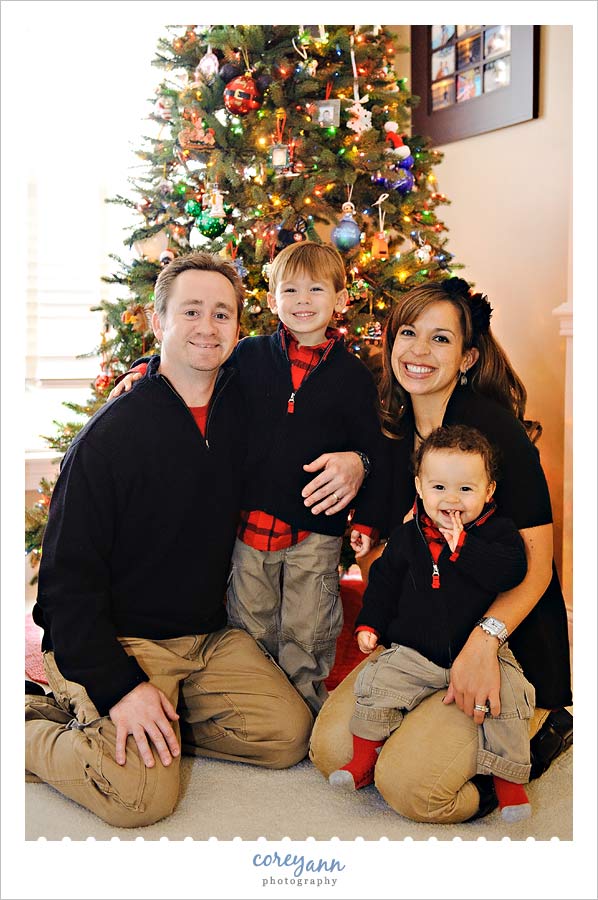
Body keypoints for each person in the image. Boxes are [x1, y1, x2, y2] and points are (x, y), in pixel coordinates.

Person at [25, 252, 313, 828]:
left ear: (238, 327)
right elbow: (64, 588)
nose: (208, 327)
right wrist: (121, 687)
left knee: (287, 737)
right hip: (122, 640)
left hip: (206, 639)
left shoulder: (242, 410)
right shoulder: (110, 438)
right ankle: (30, 725)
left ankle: (149, 717)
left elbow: (312, 444)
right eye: (191, 312)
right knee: (139, 797)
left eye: (223, 314)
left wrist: (357, 462)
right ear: (159, 323)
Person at [309, 277, 573, 824]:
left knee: (412, 788)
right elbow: (376, 553)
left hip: (501, 641)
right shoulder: (391, 432)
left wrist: (483, 643)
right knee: (331, 750)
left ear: (469, 357)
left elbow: (537, 567)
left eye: (440, 340)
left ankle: (542, 729)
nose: (418, 352)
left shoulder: (494, 435)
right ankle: (430, 713)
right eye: (407, 333)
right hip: (421, 640)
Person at [112, 242, 388, 715]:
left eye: (316, 289)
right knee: (249, 619)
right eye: (290, 290)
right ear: (271, 299)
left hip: (315, 528)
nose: (302, 300)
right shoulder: (248, 355)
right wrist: (143, 368)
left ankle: (304, 704)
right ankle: (257, 698)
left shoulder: (355, 377)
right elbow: (189, 366)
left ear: (340, 299)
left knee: (310, 622)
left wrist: (367, 513)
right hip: (252, 521)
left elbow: (372, 448)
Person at [329, 425, 535, 823]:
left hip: (476, 655)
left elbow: (511, 573)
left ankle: (508, 785)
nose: (451, 500)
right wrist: (370, 623)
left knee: (508, 698)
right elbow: (384, 585)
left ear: (489, 491)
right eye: (439, 488)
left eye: (466, 490)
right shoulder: (408, 537)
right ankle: (363, 760)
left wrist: (466, 549)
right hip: (416, 651)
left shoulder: (498, 534)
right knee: (376, 684)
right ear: (420, 488)